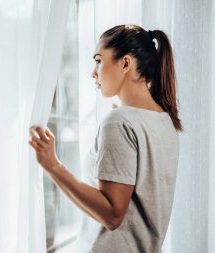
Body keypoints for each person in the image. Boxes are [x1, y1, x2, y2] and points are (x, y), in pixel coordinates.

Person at [28, 24, 182, 253]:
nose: (93, 72)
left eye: (98, 60)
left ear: (126, 63)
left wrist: (53, 166)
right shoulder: (164, 120)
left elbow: (112, 215)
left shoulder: (120, 122)